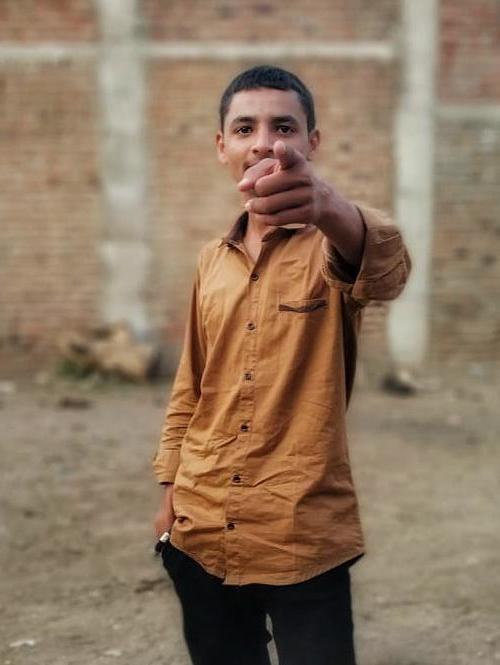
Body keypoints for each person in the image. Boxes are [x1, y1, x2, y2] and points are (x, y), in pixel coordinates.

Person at [152, 65, 411, 665]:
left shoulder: (333, 244)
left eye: (284, 127)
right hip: (202, 523)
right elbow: (191, 383)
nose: (265, 143)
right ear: (222, 146)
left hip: (302, 533)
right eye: (245, 128)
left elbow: (388, 271)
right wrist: (169, 490)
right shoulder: (211, 261)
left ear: (311, 143)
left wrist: (330, 207)